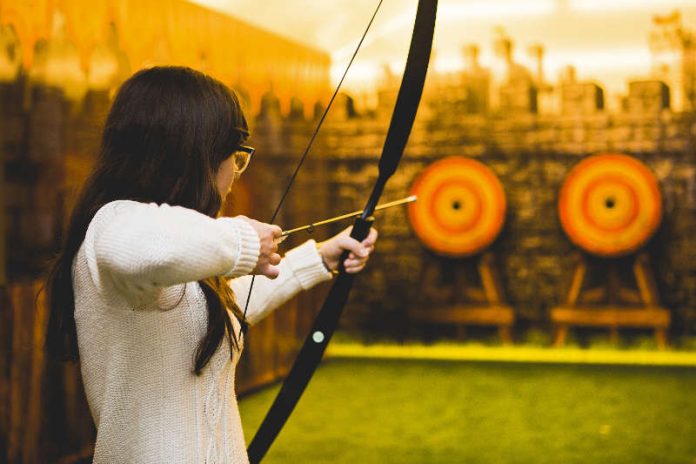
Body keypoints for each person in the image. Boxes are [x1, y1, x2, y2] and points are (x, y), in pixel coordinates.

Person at [45, 66, 378, 463]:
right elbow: (147, 246)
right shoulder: (114, 224)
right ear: (193, 156)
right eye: (235, 157)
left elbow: (216, 305)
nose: (235, 174)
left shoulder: (175, 263)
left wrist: (317, 258)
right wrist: (241, 241)